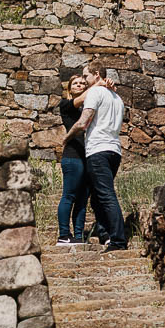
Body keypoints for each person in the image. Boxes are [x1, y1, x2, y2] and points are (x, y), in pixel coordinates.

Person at [61, 59, 127, 252]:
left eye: (87, 76)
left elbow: (83, 122)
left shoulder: (96, 92)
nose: (84, 79)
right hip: (115, 150)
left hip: (98, 150)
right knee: (98, 197)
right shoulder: (117, 97)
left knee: (105, 195)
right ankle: (107, 234)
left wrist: (66, 137)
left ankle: (118, 240)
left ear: (97, 75)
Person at [56, 74, 95, 246]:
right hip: (72, 157)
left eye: (82, 83)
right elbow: (84, 97)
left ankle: (78, 236)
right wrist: (100, 83)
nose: (79, 85)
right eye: (76, 84)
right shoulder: (66, 105)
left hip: (87, 157)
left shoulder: (88, 109)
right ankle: (64, 235)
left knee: (82, 198)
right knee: (69, 196)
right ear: (69, 89)